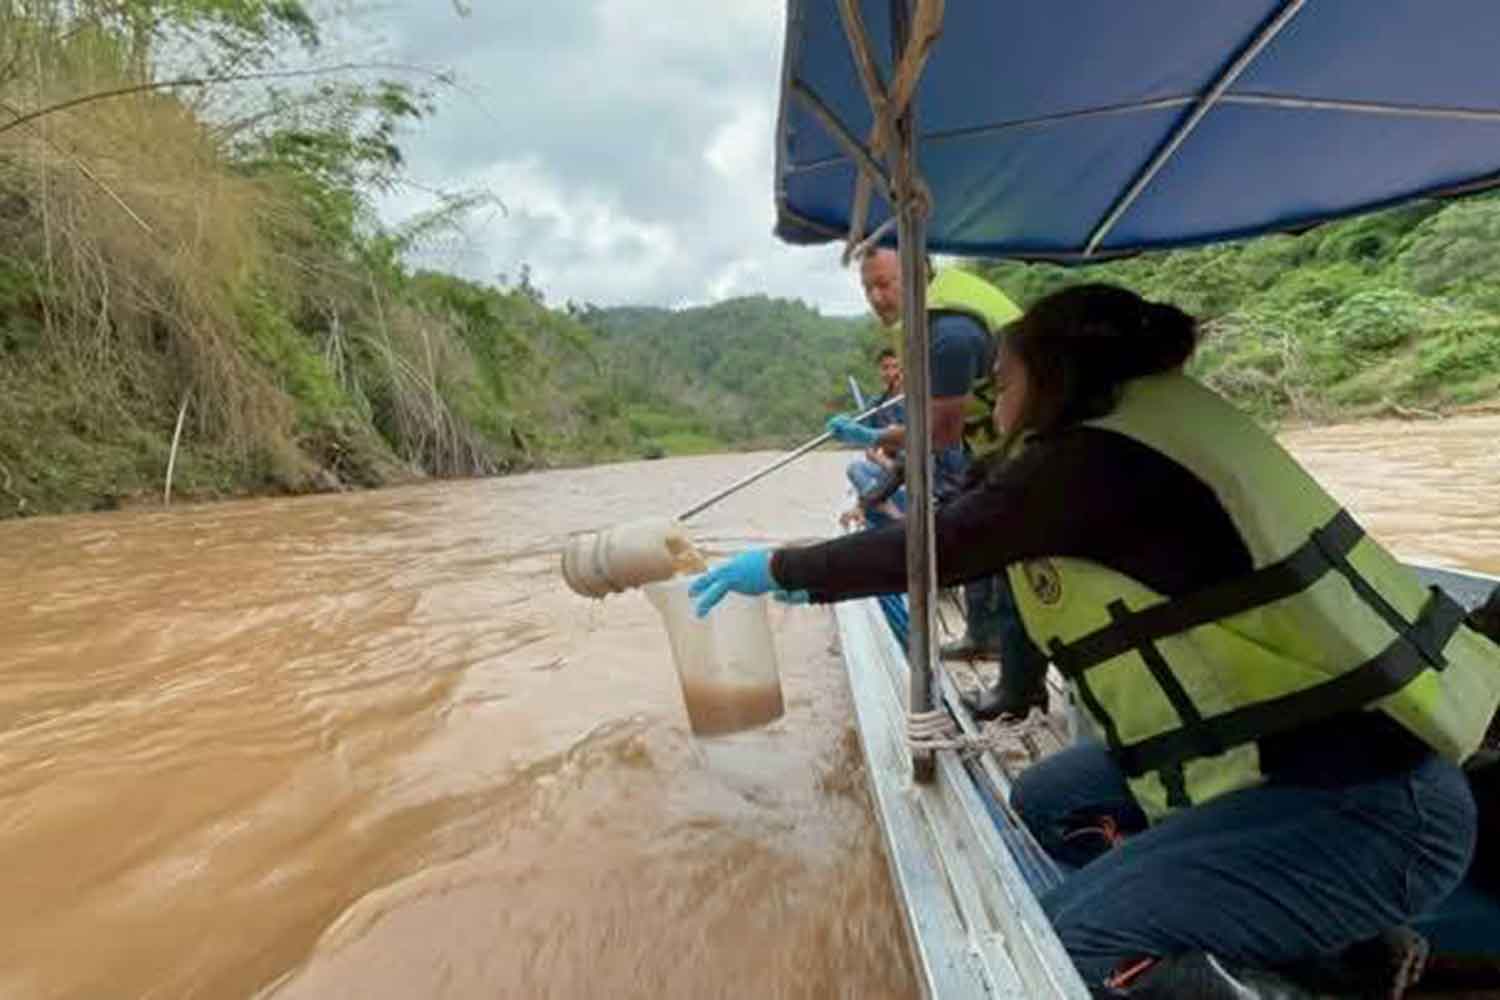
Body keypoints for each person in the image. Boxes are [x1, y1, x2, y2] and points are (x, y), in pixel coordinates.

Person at [689, 284, 1500, 996]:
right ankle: (1353, 957)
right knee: (1051, 797)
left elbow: (950, 540)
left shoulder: (1100, 461)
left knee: (1068, 949)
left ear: (1052, 377)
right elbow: (982, 487)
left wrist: (782, 566)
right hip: (1307, 763)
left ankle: (1257, 967)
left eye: (999, 380)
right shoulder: (1128, 429)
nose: (986, 396)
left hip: (1372, 812)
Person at [827, 247, 1050, 720]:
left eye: (886, 283)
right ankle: (984, 635)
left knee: (1013, 565)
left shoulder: (947, 334)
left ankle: (1018, 688)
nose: (877, 296)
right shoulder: (929, 323)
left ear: (918, 272)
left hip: (1040, 443)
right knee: (988, 542)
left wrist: (869, 436)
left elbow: (938, 432)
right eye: (868, 286)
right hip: (998, 446)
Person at [843, 347, 906, 528]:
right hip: (887, 466)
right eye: (885, 368)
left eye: (895, 367)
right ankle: (896, 516)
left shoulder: (917, 399)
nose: (891, 373)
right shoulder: (875, 405)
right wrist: (886, 463)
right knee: (855, 468)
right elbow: (870, 450)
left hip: (913, 467)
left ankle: (870, 505)